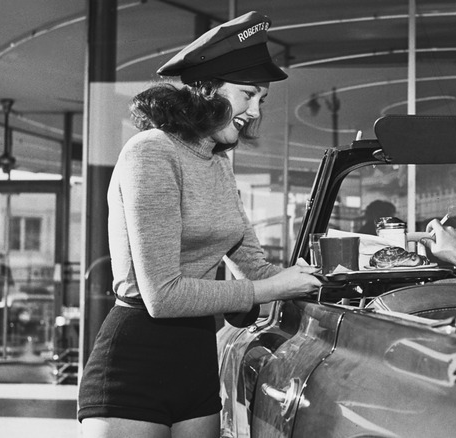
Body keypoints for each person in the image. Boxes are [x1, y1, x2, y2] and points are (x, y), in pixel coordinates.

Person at [78, 12, 321, 438]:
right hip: (135, 359)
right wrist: (273, 289)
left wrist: (328, 281)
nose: (255, 112)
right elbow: (162, 295)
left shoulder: (219, 165)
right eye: (248, 94)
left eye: (262, 99)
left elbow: (257, 271)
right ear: (207, 89)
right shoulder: (152, 152)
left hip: (196, 356)